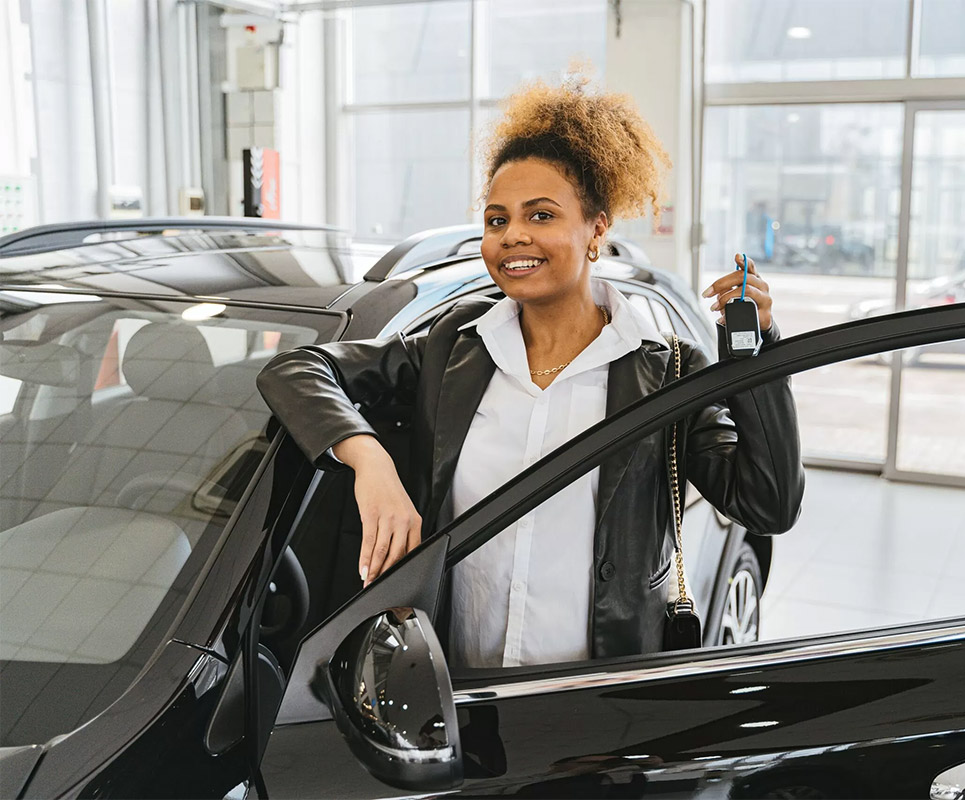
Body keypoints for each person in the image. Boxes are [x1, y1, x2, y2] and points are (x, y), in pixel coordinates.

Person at [256, 76, 802, 668]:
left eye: (541, 215)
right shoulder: (453, 347)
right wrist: (369, 461)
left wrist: (760, 355)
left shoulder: (666, 369)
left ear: (597, 228)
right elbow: (299, 367)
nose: (513, 235)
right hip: (453, 688)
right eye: (497, 219)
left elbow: (768, 504)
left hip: (597, 698)